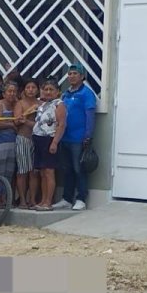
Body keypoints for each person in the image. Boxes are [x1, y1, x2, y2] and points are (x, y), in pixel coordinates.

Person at [58, 63, 97, 211]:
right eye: (69, 74)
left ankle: (81, 198)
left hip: (79, 139)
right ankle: (67, 199)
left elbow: (90, 116)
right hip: (65, 137)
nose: (71, 76)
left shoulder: (87, 94)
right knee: (67, 169)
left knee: (79, 169)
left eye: (75, 73)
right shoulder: (65, 94)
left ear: (82, 76)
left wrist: (88, 135)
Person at [31, 78, 66, 210]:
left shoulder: (59, 104)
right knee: (42, 172)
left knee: (49, 171)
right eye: (45, 89)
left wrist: (55, 142)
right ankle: (43, 200)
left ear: (57, 92)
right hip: (38, 139)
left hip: (49, 139)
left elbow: (61, 125)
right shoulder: (42, 105)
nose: (48, 92)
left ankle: (48, 201)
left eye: (51, 90)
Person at [0, 82, 19, 196]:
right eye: (9, 91)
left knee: (9, 172)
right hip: (0, 142)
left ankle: (5, 198)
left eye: (14, 91)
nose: (12, 94)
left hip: (13, 142)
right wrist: (11, 125)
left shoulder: (17, 104)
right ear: (4, 93)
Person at [14, 79, 39, 209]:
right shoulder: (20, 103)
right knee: (22, 171)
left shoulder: (41, 104)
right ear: (24, 90)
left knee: (34, 172)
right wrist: (29, 112)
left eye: (33, 87)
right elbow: (17, 121)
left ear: (37, 90)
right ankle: (22, 200)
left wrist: (26, 120)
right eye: (28, 87)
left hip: (36, 139)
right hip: (23, 138)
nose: (30, 90)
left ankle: (32, 200)